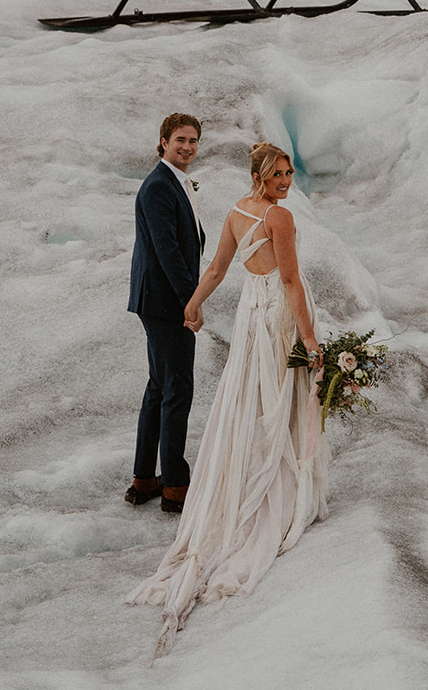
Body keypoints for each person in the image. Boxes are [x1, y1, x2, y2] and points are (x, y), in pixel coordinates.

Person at [126, 142, 329, 656]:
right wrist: (310, 340)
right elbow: (289, 280)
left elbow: (216, 269)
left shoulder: (238, 212)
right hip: (276, 315)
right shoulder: (279, 218)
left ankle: (240, 475)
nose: (286, 180)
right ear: (260, 175)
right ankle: (273, 487)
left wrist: (193, 305)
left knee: (248, 400)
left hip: (247, 316)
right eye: (278, 173)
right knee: (275, 399)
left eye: (288, 173)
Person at [125, 112, 206, 514]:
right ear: (163, 142)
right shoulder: (158, 186)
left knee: (159, 387)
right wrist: (191, 301)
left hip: (157, 299)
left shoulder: (174, 181)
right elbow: (167, 250)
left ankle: (144, 478)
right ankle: (175, 484)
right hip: (164, 301)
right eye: (180, 140)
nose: (187, 147)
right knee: (178, 390)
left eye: (192, 140)